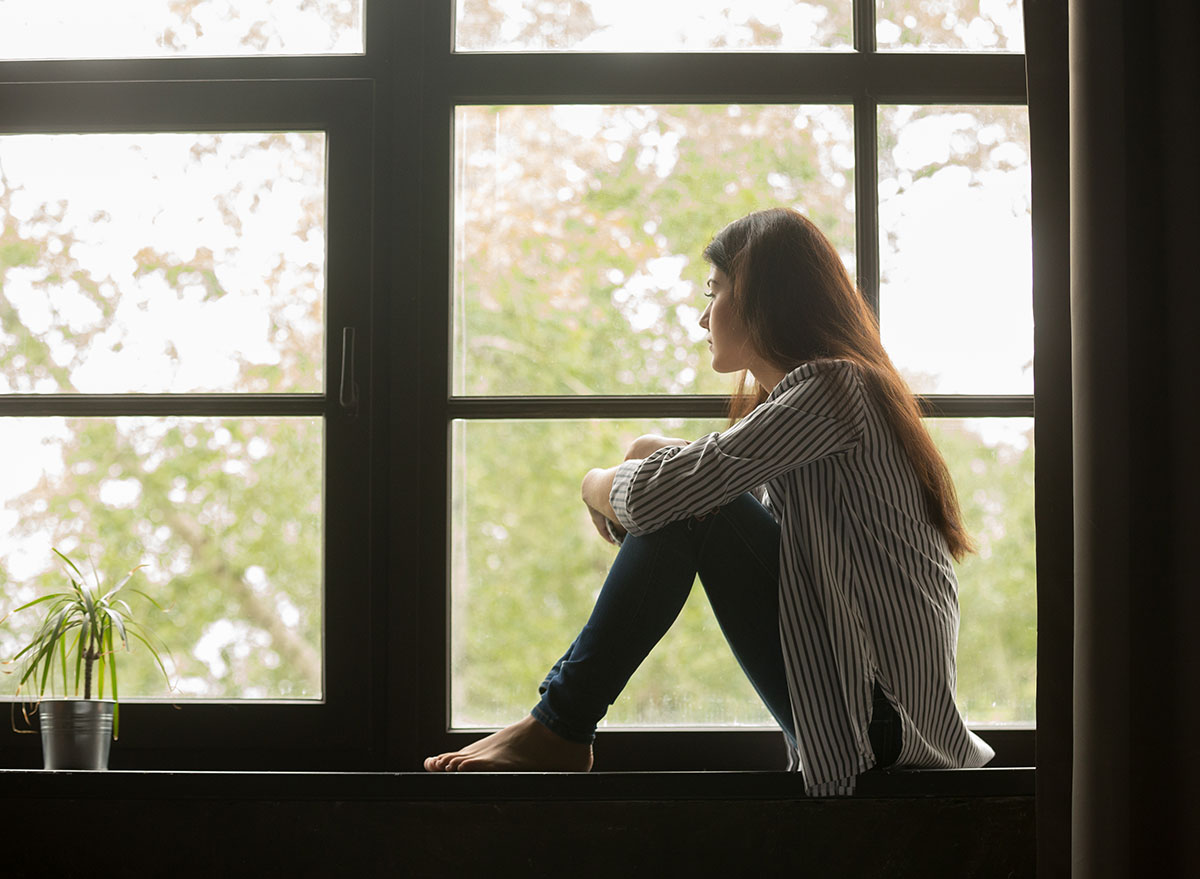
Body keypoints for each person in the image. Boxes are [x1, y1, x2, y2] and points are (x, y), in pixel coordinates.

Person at [424, 207, 995, 794]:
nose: (702, 317)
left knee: (693, 502)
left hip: (879, 726)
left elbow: (667, 498)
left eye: (714, 291)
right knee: (687, 493)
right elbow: (704, 489)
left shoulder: (834, 388)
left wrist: (594, 482)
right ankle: (556, 725)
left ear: (760, 297)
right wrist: (646, 454)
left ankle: (560, 726)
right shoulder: (832, 399)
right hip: (867, 717)